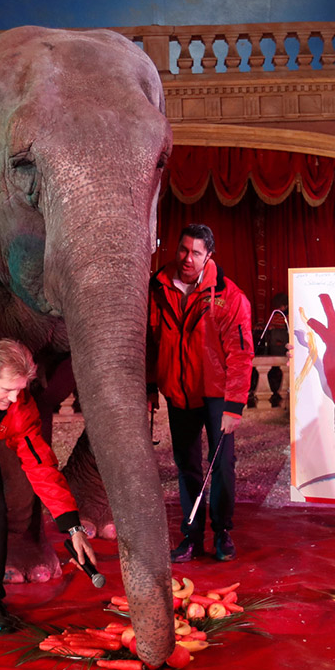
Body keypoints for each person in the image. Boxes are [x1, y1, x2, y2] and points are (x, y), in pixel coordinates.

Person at [0, 339, 99, 632]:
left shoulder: (19, 409)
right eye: (7, 389)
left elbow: (42, 467)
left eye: (19, 390)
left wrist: (73, 527)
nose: (13, 398)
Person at [148, 223, 254, 563]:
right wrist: (151, 386)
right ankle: (191, 536)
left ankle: (222, 532)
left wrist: (234, 406)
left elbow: (241, 354)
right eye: (183, 250)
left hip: (216, 392)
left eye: (195, 252)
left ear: (209, 255)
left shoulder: (229, 296)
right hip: (178, 392)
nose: (187, 258)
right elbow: (149, 342)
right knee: (187, 466)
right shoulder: (158, 287)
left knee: (222, 464)